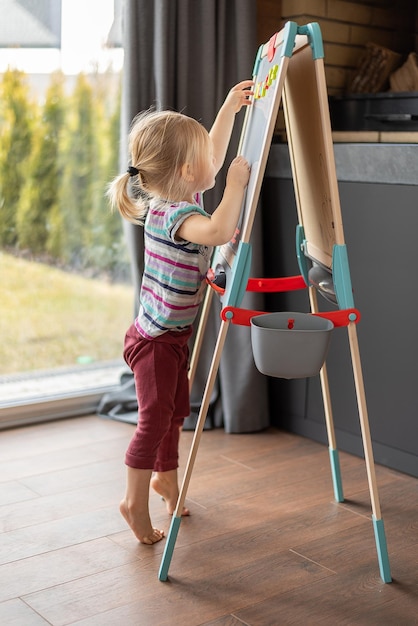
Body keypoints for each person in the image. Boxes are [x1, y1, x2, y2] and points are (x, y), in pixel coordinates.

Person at [107, 80, 254, 544]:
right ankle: (133, 501)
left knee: (175, 411)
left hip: (170, 337)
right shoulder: (177, 217)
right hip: (153, 342)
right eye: (207, 163)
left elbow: (210, 147)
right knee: (154, 417)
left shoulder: (177, 198)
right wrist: (234, 185)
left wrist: (229, 107)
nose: (215, 160)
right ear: (190, 171)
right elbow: (218, 230)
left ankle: (164, 478)